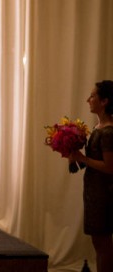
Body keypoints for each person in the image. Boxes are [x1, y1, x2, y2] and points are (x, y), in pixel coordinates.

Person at [68, 80, 113, 272]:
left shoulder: (108, 132)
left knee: (103, 244)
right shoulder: (98, 127)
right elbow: (89, 163)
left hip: (104, 195)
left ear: (104, 101)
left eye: (93, 96)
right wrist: (73, 155)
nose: (88, 100)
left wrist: (82, 158)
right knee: (99, 242)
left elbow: (110, 168)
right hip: (95, 193)